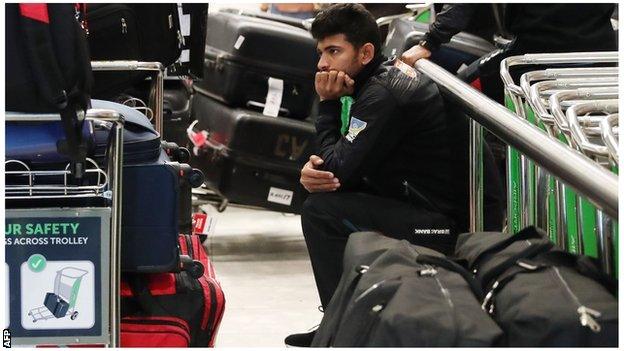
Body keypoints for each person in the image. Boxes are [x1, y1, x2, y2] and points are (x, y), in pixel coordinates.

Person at [285, 3, 504, 347]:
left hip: (448, 227)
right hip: (425, 204)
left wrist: (326, 105)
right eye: (320, 52)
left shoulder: (384, 93)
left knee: (320, 212)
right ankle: (342, 321)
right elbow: (343, 167)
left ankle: (341, 330)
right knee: (323, 200)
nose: (322, 64)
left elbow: (339, 172)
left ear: (366, 52)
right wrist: (318, 170)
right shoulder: (378, 82)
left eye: (333, 51)